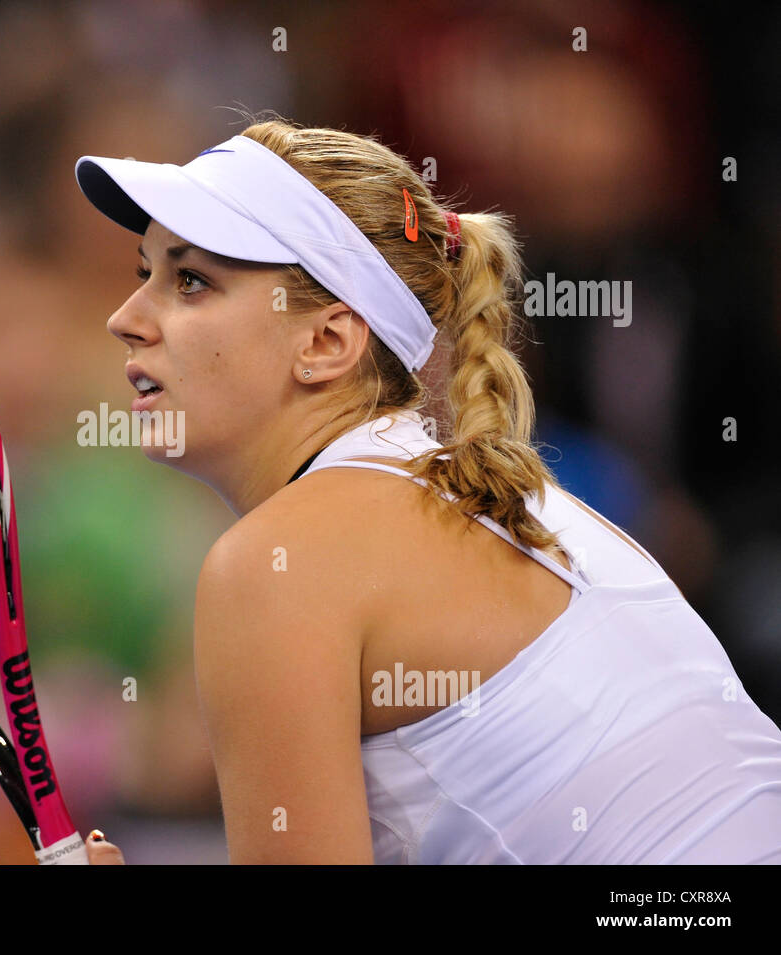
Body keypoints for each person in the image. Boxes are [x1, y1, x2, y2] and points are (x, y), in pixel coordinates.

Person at [69, 116, 781, 864]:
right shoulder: (539, 511)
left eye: (189, 280)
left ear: (327, 342)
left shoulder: (272, 566)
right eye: (141, 273)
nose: (126, 319)